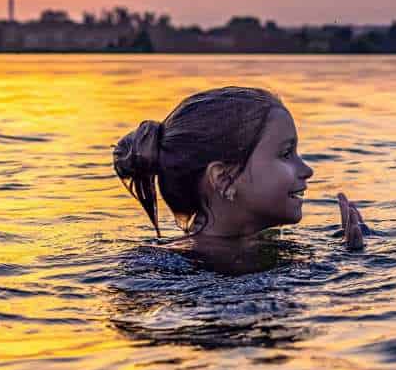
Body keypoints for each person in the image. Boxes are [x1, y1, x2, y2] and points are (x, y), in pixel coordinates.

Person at [112, 86, 367, 274]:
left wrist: (345, 249)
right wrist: (348, 265)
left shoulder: (263, 245)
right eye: (285, 153)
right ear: (223, 179)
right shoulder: (218, 263)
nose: (306, 170)